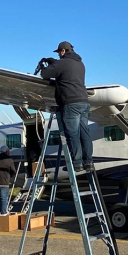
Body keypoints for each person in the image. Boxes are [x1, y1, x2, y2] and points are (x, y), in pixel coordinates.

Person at [40, 41, 94, 173]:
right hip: (83, 101)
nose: (58, 55)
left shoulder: (62, 63)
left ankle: (77, 163)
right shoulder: (80, 64)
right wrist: (55, 63)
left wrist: (48, 65)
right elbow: (67, 73)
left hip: (70, 103)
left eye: (59, 52)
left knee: (72, 134)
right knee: (84, 133)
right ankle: (88, 162)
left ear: (63, 51)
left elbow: (45, 74)